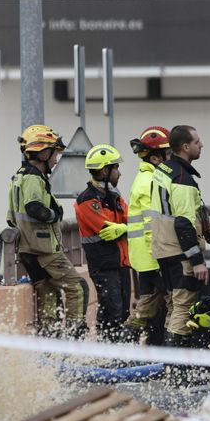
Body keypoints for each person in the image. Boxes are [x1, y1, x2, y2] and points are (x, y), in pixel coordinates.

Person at [8, 125, 89, 338]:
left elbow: (11, 217)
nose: (56, 160)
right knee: (78, 287)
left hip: (28, 249)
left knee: (49, 294)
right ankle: (74, 334)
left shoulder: (19, 177)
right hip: (42, 248)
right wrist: (55, 215)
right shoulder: (33, 179)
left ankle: (49, 341)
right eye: (54, 154)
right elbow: (34, 207)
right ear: (43, 153)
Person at [149, 125, 210, 352]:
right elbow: (184, 222)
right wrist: (197, 260)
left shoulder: (163, 169)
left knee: (174, 308)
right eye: (197, 142)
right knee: (184, 307)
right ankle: (177, 368)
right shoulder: (182, 178)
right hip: (180, 251)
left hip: (163, 249)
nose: (201, 145)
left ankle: (170, 365)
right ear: (185, 147)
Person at [74, 144, 130, 342]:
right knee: (111, 313)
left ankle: (118, 353)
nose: (119, 173)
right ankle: (108, 353)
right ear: (105, 171)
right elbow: (106, 228)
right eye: (116, 168)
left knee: (123, 312)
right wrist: (126, 227)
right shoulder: (86, 200)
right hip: (104, 266)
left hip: (121, 263)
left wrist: (124, 227)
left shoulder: (114, 196)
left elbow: (130, 219)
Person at [121, 126, 172, 344]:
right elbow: (152, 224)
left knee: (150, 306)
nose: (171, 158)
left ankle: (127, 347)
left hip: (145, 257)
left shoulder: (145, 177)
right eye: (167, 153)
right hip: (153, 256)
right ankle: (125, 347)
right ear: (155, 157)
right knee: (171, 304)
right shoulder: (151, 181)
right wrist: (161, 256)